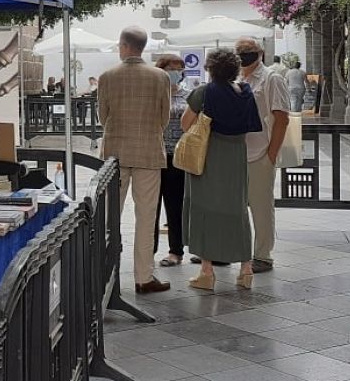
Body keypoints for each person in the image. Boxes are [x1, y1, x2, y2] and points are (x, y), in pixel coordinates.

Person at [181, 49, 263, 290]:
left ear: (210, 69)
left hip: (209, 155)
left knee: (205, 209)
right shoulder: (245, 92)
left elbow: (186, 124)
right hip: (236, 156)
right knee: (238, 210)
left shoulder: (203, 93)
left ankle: (206, 272)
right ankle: (246, 270)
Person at [98, 26, 172, 293]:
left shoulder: (107, 77)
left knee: (110, 217)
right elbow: (164, 117)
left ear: (124, 46)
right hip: (149, 152)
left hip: (114, 155)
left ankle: (106, 275)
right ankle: (143, 277)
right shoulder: (160, 76)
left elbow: (101, 117)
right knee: (146, 216)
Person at [235, 38, 289, 274]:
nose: (244, 55)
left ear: (260, 53)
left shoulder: (272, 79)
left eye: (248, 52)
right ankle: (236, 250)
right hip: (236, 152)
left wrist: (271, 154)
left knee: (261, 207)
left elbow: (282, 118)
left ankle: (263, 255)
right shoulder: (237, 79)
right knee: (236, 207)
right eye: (240, 52)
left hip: (260, 153)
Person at [154, 56, 189, 267]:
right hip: (155, 156)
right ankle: (148, 249)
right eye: (171, 69)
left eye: (179, 69)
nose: (176, 72)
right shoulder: (154, 95)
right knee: (151, 207)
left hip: (178, 157)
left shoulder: (189, 96)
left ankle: (176, 250)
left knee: (175, 206)